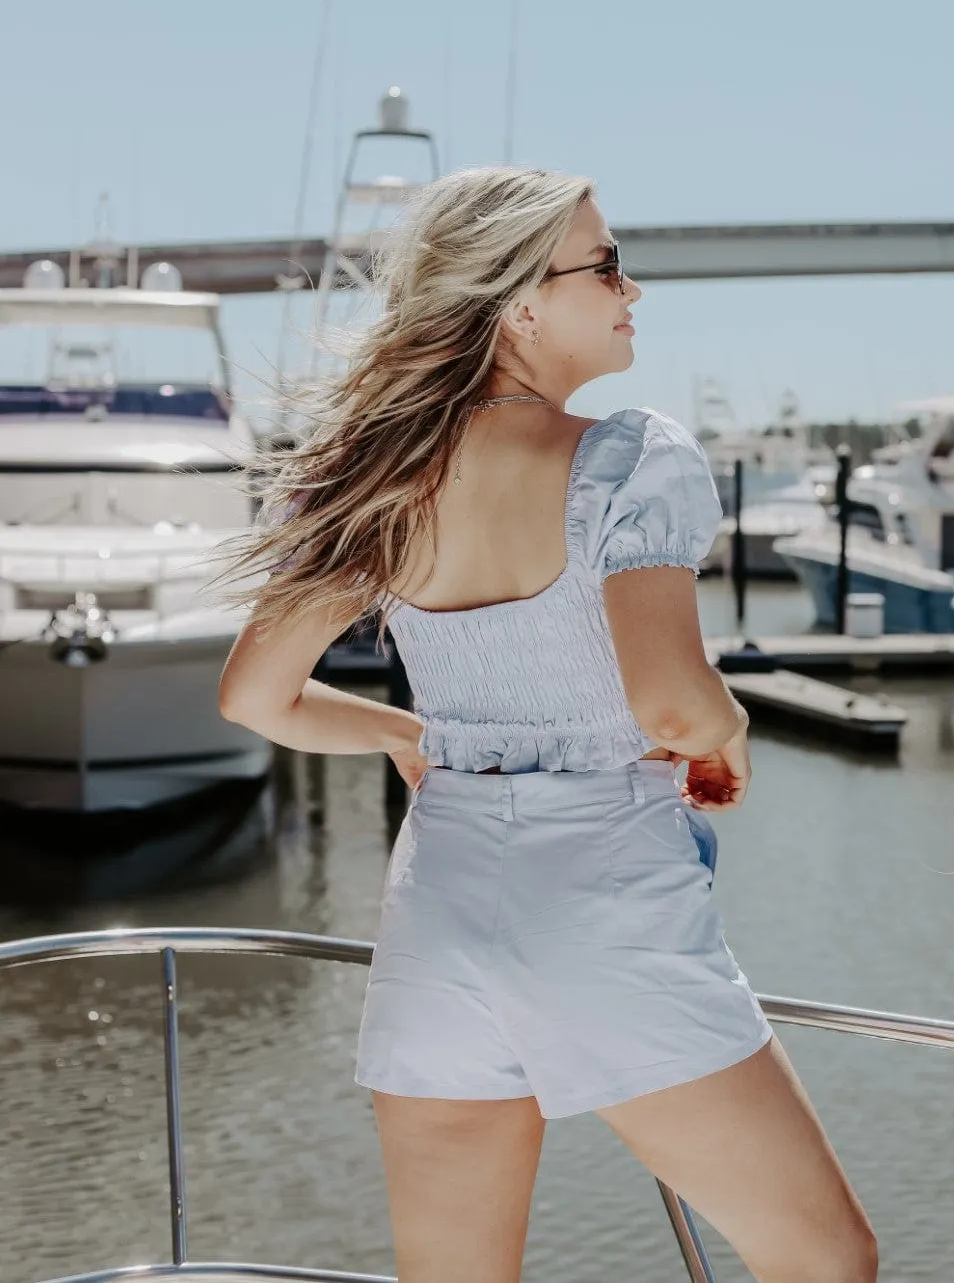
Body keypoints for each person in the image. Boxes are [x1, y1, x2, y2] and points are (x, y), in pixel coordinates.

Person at [217, 167, 877, 1283]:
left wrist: (400, 736)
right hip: (601, 898)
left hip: (438, 905)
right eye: (607, 264)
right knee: (826, 1262)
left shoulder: (379, 474)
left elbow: (255, 698)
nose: (634, 288)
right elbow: (669, 697)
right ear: (521, 301)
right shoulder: (629, 454)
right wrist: (729, 733)